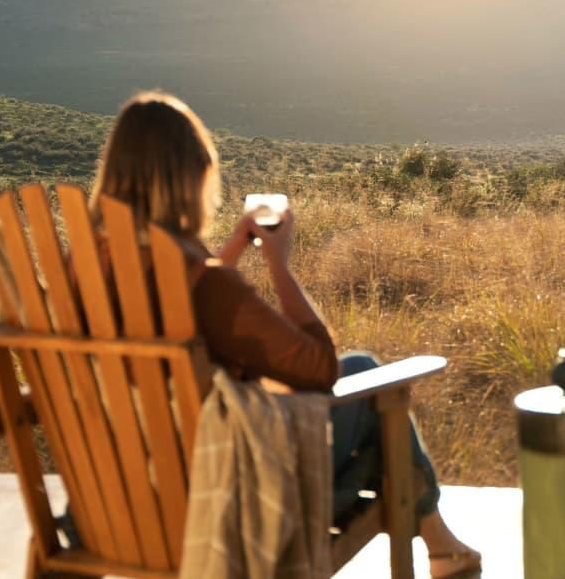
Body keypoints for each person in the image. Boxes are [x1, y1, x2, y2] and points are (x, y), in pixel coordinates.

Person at [90, 91, 481, 579]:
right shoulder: (205, 284)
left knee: (364, 385)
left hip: (123, 493)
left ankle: (444, 546)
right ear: (190, 177)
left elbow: (183, 317)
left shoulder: (86, 273)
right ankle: (442, 546)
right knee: (365, 381)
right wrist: (279, 264)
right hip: (216, 495)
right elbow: (316, 368)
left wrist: (228, 251)